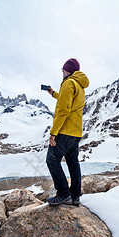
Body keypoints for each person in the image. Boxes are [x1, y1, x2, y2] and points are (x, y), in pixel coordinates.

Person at [46, 58, 89, 206]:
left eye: (63, 70)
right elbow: (66, 100)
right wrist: (53, 94)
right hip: (75, 132)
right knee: (73, 162)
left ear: (67, 70)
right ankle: (76, 195)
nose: (62, 72)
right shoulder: (80, 86)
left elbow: (64, 109)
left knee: (52, 160)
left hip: (64, 131)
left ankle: (64, 193)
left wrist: (53, 133)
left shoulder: (69, 83)